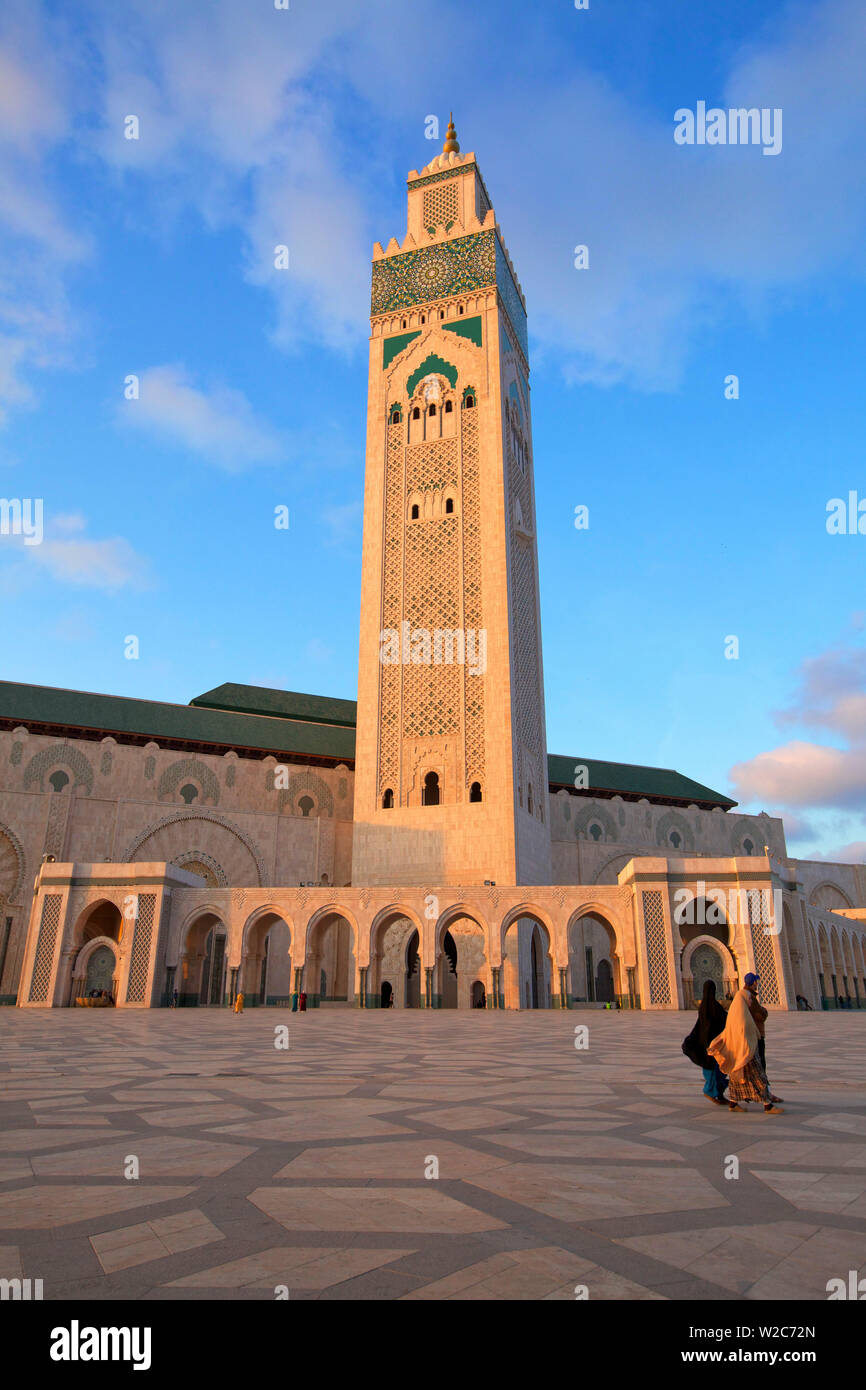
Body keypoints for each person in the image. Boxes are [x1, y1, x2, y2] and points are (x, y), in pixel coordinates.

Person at [708, 986, 784, 1113]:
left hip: (743, 1052)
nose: (750, 1001)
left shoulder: (740, 1012)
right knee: (759, 1078)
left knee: (736, 1080)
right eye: (749, 998)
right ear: (742, 999)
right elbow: (741, 1032)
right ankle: (768, 1105)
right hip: (746, 1052)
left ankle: (733, 1104)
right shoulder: (740, 1015)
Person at [683, 980, 729, 1104]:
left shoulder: (703, 1007)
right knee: (717, 1071)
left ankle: (717, 1094)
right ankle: (712, 1092)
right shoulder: (714, 1007)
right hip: (715, 1045)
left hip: (707, 1044)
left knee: (716, 1071)